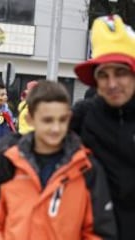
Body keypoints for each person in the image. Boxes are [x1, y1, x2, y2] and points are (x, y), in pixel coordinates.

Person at [0, 81, 117, 240]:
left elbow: (99, 230)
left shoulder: (86, 168)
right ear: (30, 119)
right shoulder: (9, 163)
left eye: (62, 120)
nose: (56, 128)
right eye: (47, 120)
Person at [72, 15, 135, 240]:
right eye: (103, 75)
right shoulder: (83, 114)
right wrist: (6, 155)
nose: (112, 84)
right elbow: (37, 139)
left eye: (120, 73)